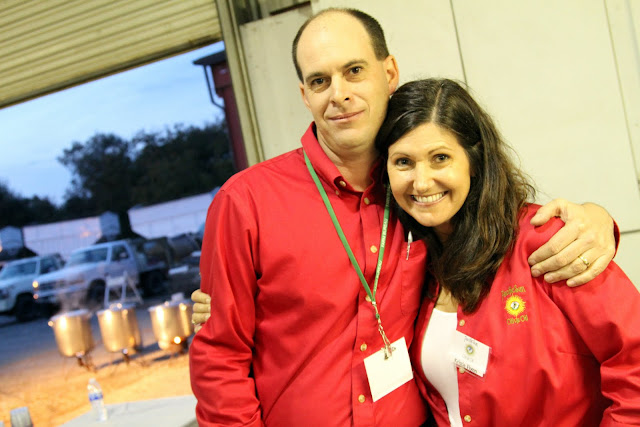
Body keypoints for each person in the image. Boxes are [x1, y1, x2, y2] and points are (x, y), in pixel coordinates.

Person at [189, 8, 617, 426]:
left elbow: (500, 222)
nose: (338, 93)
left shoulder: (417, 197)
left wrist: (597, 220)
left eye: (354, 71)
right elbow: (220, 360)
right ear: (305, 95)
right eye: (320, 81)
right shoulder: (246, 202)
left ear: (389, 72)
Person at [375, 78, 640, 426]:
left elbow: (634, 360)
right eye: (403, 162)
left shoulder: (548, 243)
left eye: (440, 158)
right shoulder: (412, 267)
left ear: (474, 160)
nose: (421, 182)